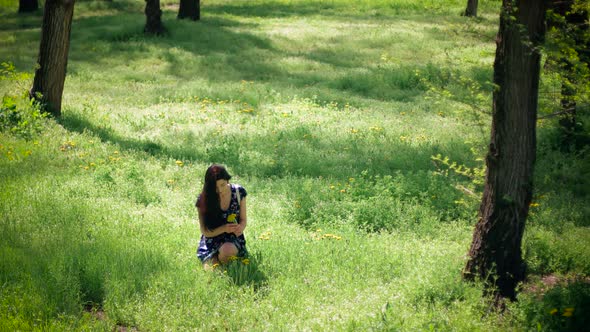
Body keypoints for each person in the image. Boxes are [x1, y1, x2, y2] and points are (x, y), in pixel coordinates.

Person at [196, 164, 248, 267]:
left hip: (232, 237)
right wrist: (224, 228)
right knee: (211, 270)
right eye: (215, 187)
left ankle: (223, 260)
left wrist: (240, 228)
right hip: (212, 237)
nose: (220, 190)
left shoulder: (239, 192)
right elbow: (205, 231)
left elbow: (243, 219)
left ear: (227, 180)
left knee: (227, 251)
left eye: (223, 185)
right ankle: (216, 260)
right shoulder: (203, 199)